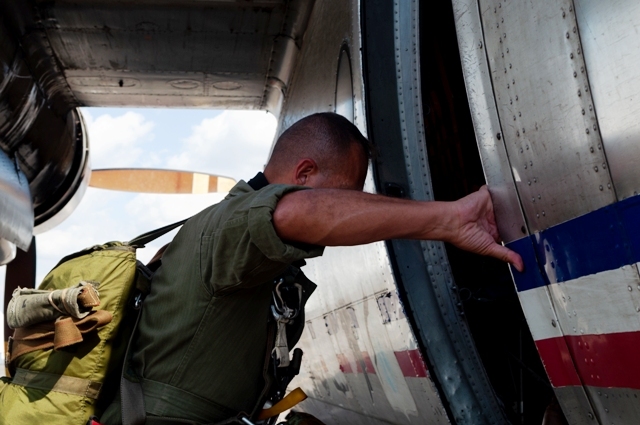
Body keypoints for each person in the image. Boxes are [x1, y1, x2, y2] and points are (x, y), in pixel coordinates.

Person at [101, 112, 523, 424]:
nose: (348, 208)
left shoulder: (245, 247)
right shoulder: (230, 225)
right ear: (304, 174)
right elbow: (291, 213)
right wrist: (446, 220)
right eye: (343, 196)